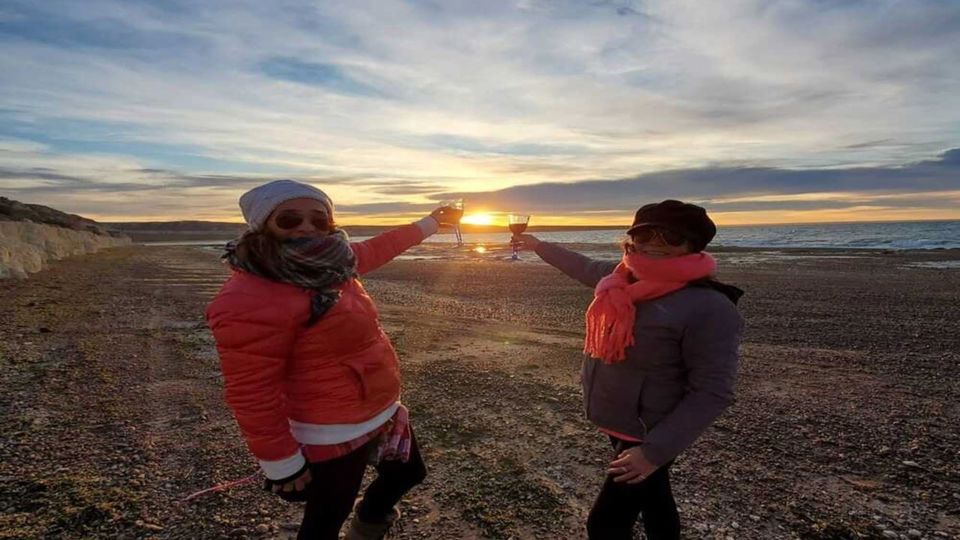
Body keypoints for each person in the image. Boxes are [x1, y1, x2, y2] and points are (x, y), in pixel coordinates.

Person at [206, 179, 457, 540]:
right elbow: (251, 391)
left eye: (318, 219)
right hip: (329, 427)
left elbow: (381, 246)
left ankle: (368, 522)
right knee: (325, 521)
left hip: (379, 407)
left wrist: (432, 222)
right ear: (263, 226)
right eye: (289, 219)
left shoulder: (336, 261)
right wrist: (281, 463)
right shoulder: (247, 297)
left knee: (408, 473)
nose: (307, 227)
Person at [513, 200, 744, 540]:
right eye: (645, 234)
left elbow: (713, 391)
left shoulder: (710, 306)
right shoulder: (622, 278)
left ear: (693, 244)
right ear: (631, 238)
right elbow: (581, 265)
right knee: (654, 497)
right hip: (622, 419)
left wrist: (653, 452)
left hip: (650, 430)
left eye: (671, 237)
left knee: (604, 525)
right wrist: (537, 245)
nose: (654, 243)